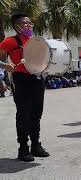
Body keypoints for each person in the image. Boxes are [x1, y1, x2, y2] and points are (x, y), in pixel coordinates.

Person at [0, 13, 50, 162]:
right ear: (17, 26)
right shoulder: (10, 41)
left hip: (37, 78)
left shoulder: (36, 41)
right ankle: (23, 148)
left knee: (36, 112)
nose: (29, 25)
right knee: (23, 114)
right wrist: (5, 66)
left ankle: (36, 145)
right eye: (25, 23)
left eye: (30, 23)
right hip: (21, 80)